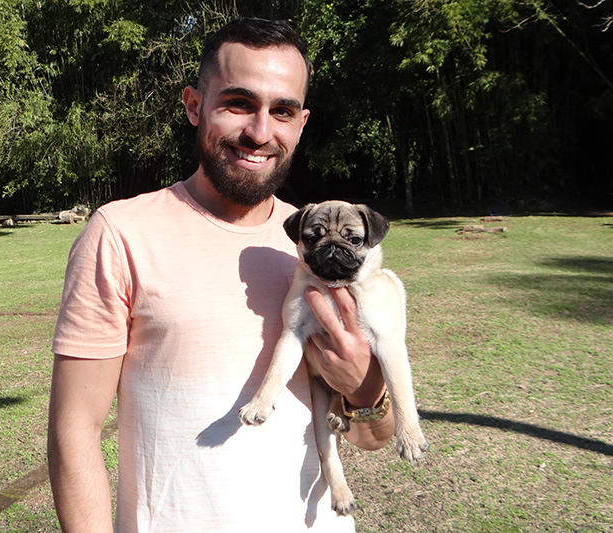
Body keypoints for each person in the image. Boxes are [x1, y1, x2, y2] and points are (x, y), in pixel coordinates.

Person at [47, 17, 394, 533]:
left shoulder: (315, 248)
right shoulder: (120, 234)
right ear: (194, 106)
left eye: (282, 111)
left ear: (301, 123)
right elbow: (74, 430)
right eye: (238, 103)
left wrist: (365, 392)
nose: (260, 132)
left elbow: (373, 438)